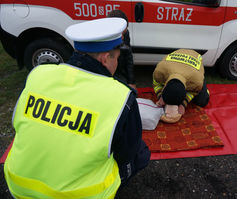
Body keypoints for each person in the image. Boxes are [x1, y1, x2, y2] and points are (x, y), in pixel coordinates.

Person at [4, 18, 150, 199]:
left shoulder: (38, 74)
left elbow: (17, 125)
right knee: (140, 152)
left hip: (19, 186)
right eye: (117, 59)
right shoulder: (121, 97)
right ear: (105, 58)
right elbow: (127, 153)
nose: (117, 64)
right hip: (82, 195)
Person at [153, 48, 210, 123]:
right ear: (164, 87)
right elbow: (156, 84)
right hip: (177, 58)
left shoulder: (196, 81)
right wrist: (160, 96)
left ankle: (205, 91)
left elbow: (192, 92)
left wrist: (183, 104)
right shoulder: (159, 71)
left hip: (194, 61)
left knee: (202, 101)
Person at [107, 10, 137, 91]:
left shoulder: (124, 32)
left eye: (125, 33)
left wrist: (131, 81)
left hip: (119, 71)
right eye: (121, 34)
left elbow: (128, 57)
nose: (123, 38)